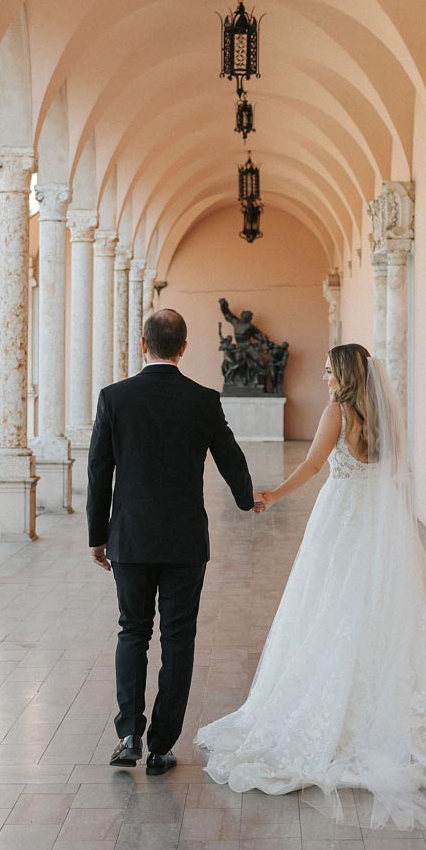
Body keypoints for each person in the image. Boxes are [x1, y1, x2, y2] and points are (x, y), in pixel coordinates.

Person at [195, 342, 426, 827]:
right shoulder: (381, 415)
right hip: (379, 526)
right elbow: (391, 472)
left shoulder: (338, 411)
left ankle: (341, 708)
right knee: (380, 607)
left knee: (330, 607)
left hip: (341, 519)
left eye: (327, 372)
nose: (324, 379)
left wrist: (273, 494)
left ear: (343, 374)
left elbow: (315, 464)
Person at [85, 307, 256, 776]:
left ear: (143, 345)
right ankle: (161, 746)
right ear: (184, 347)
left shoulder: (115, 398)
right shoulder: (202, 400)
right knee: (178, 639)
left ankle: (127, 734)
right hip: (184, 541)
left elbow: (100, 470)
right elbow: (230, 455)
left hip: (131, 539)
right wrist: (246, 500)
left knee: (132, 631)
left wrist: (97, 536)